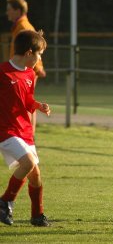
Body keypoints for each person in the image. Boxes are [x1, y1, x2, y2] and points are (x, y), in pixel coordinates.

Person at [0, 30, 51, 227]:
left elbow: (27, 100)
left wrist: (38, 105)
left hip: (24, 131)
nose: (39, 60)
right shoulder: (3, 72)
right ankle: (5, 201)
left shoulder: (29, 73)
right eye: (39, 55)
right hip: (7, 130)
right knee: (28, 163)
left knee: (35, 176)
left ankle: (37, 215)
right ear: (29, 53)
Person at [6, 0, 46, 137]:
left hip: (24, 72)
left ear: (18, 10)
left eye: (9, 10)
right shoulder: (19, 26)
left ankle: (27, 137)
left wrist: (38, 67)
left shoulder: (24, 28)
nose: (7, 13)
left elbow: (35, 48)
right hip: (18, 71)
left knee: (26, 105)